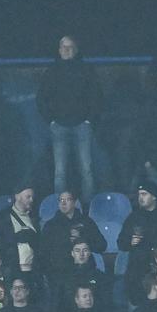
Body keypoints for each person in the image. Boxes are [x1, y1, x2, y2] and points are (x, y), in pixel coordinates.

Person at [38, 35, 102, 203]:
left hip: (82, 126)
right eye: (63, 47)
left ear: (76, 49)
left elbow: (96, 96)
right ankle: (62, 206)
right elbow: (41, 98)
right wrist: (50, 120)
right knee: (60, 171)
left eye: (69, 47)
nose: (66, 50)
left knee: (86, 169)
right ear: (59, 50)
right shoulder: (51, 72)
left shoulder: (86, 70)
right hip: (59, 126)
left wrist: (90, 120)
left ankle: (88, 208)